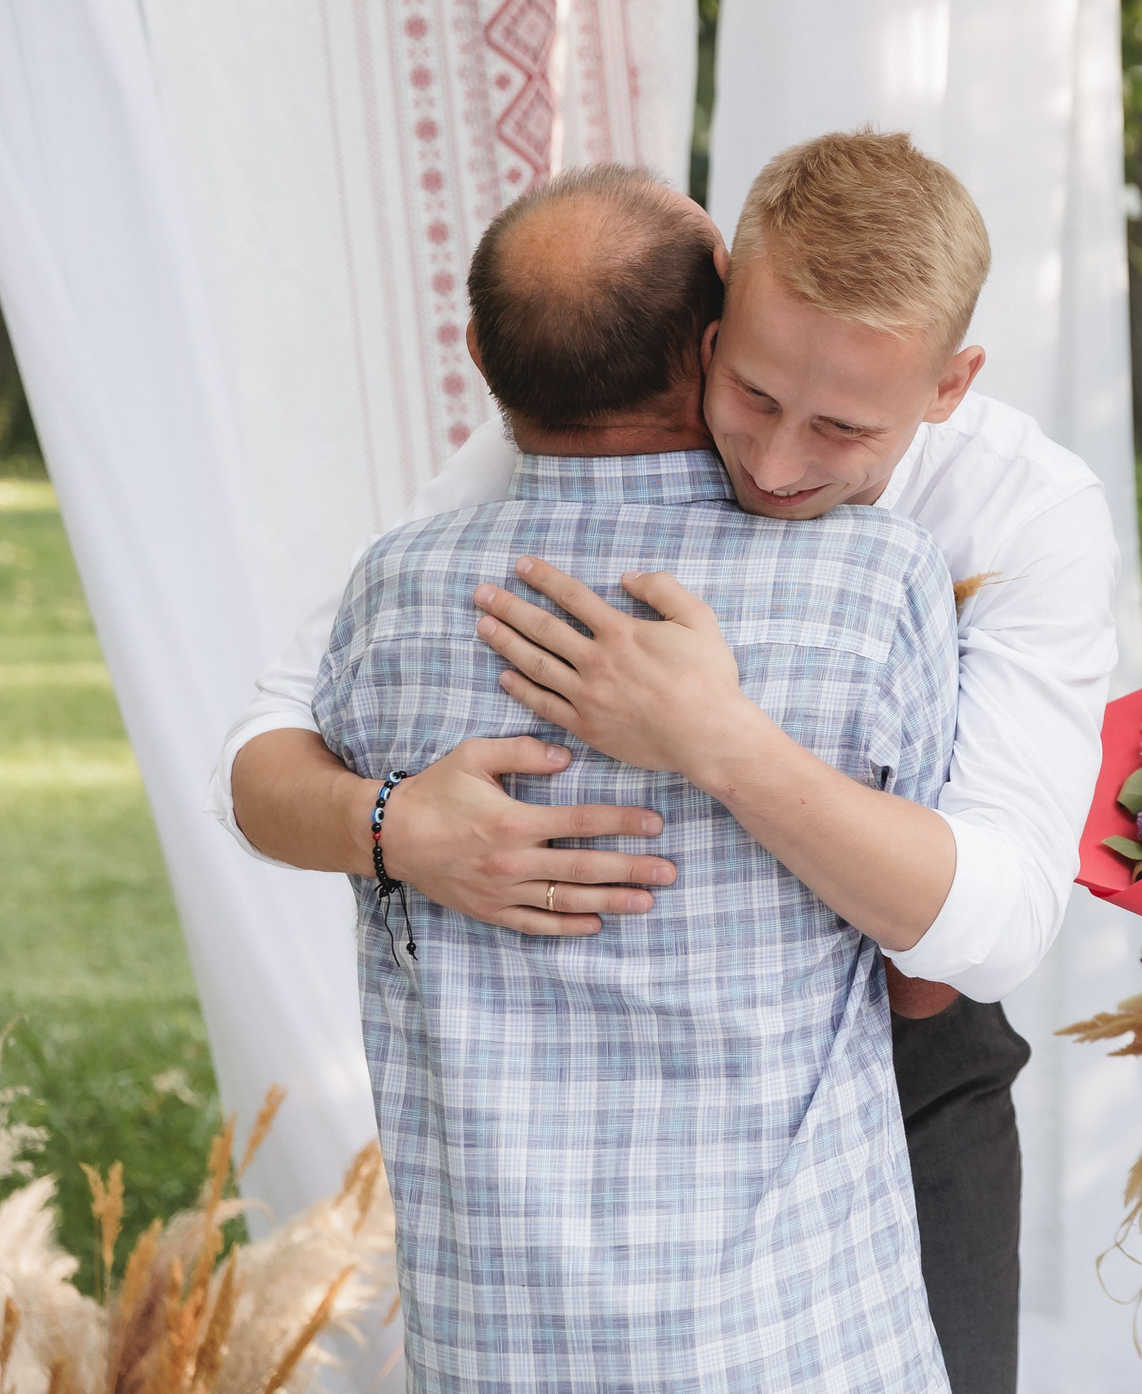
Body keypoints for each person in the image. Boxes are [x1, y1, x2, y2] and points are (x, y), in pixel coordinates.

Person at [218, 137, 1122, 1394]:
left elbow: (990, 933)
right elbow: (263, 745)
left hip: (912, 1056)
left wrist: (717, 741)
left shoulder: (1031, 515)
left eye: (845, 426)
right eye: (750, 397)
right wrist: (393, 825)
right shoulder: (613, 421)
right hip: (571, 1118)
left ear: (950, 384)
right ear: (708, 329)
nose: (776, 463)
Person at [311, 166, 958, 1386]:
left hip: (496, 1340)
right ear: (703, 349)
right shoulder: (872, 580)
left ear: (481, 356)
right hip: (800, 1335)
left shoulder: (392, 593)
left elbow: (277, 771)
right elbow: (927, 971)